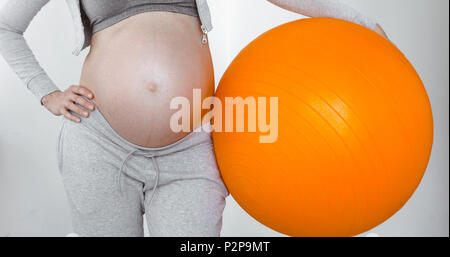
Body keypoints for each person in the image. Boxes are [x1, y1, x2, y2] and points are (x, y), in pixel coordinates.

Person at [0, 0, 388, 237]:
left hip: (189, 149)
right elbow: (6, 25)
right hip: (100, 143)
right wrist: (45, 92)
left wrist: (361, 22)